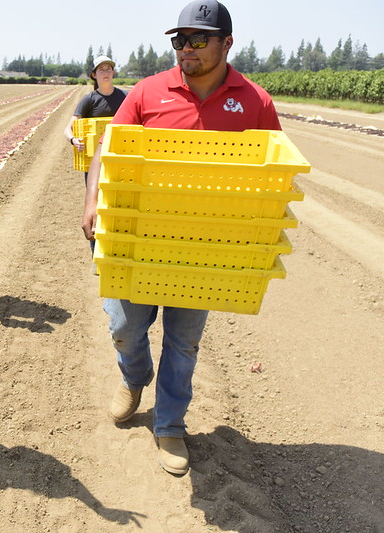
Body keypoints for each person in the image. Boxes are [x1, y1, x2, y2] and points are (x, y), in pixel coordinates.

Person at [81, 0, 282, 476]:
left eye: (197, 40)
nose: (184, 49)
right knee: (125, 327)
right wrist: (92, 200)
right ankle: (134, 377)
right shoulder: (149, 92)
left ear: (227, 43)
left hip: (204, 245)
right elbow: (107, 151)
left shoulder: (254, 101)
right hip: (140, 238)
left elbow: (272, 170)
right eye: (178, 40)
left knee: (184, 341)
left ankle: (169, 425)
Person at [64, 55, 126, 258]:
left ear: (114, 72)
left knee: (118, 205)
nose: (106, 72)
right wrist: (74, 140)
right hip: (94, 165)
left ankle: (116, 251)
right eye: (102, 69)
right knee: (96, 207)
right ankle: (97, 255)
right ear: (94, 75)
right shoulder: (89, 100)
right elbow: (68, 129)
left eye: (109, 68)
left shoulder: (124, 98)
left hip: (119, 161)